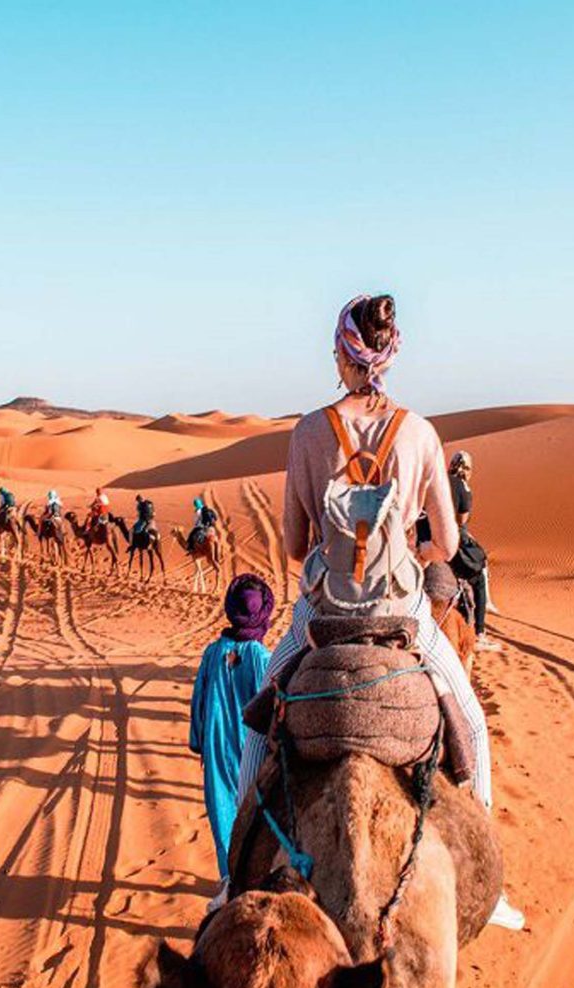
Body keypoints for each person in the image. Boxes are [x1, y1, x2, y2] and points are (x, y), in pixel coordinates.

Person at [236, 293, 524, 930]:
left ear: (343, 353)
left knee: (257, 727)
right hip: (404, 623)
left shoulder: (310, 431)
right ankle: (491, 891)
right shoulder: (421, 433)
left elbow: (291, 545)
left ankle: (230, 879)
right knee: (471, 728)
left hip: (321, 620)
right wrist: (409, 547)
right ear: (390, 358)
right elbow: (445, 544)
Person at [190, 573, 274, 909]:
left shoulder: (213, 652)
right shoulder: (260, 656)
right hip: (252, 747)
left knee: (223, 809)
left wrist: (199, 741)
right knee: (253, 812)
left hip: (216, 743)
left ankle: (230, 878)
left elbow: (198, 699)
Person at [448, 451, 500, 652]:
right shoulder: (462, 486)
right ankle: (479, 631)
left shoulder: (440, 481)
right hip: (452, 538)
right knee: (479, 572)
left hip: (424, 535)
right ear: (467, 469)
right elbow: (462, 520)